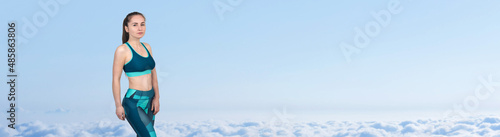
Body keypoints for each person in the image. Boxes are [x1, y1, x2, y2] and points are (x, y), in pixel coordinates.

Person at [112, 11, 160, 137]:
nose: (140, 28)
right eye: (135, 25)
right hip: (133, 102)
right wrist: (118, 105)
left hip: (150, 100)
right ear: (126, 28)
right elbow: (116, 79)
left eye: (142, 24)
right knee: (150, 135)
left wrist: (157, 98)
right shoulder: (122, 50)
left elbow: (153, 74)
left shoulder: (147, 47)